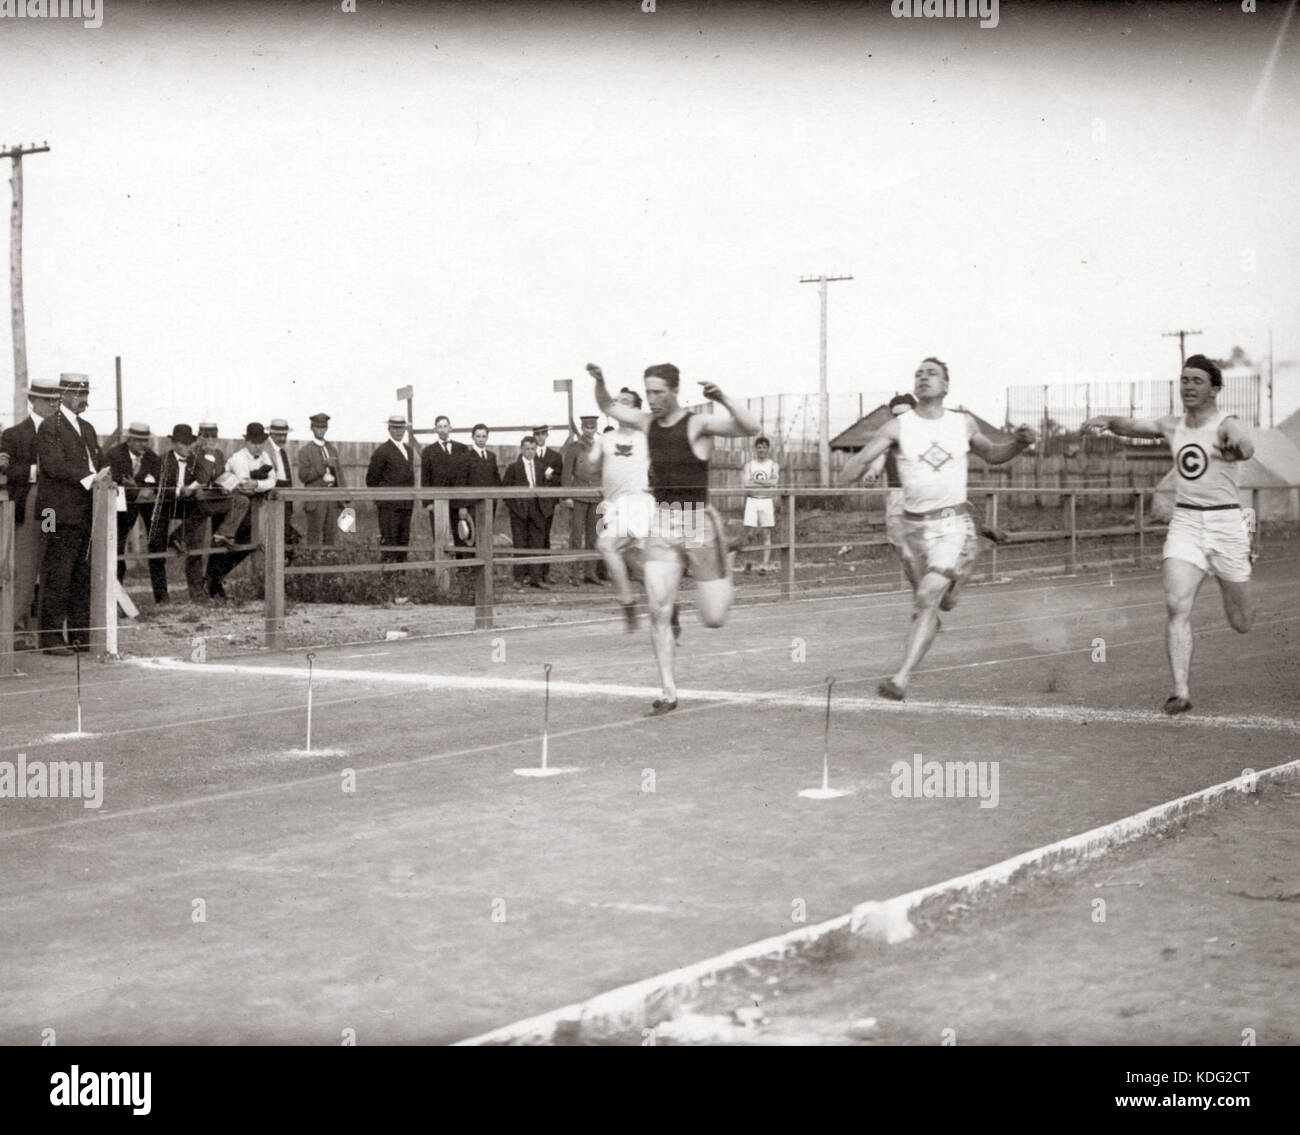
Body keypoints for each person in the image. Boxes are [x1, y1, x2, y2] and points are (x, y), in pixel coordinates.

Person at [840, 357, 1036, 701]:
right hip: (912, 529)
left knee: (926, 598)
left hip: (951, 524)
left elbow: (992, 454)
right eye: (918, 373)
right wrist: (852, 471)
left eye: (932, 374)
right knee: (941, 604)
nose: (923, 377)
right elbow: (858, 463)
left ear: (946, 386)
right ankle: (974, 556)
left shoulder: (963, 423)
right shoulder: (898, 427)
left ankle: (900, 679)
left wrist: (1018, 444)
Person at [1083, 354, 1255, 714]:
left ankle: (1227, 581)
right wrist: (1106, 420)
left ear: (1215, 389)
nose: (1189, 387)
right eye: (1184, 380)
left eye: (1197, 381)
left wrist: (1236, 446)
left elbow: (1245, 445)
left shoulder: (1227, 423)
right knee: (1176, 604)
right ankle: (1181, 690)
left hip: (1226, 525)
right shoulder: (1172, 425)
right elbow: (1132, 426)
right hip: (1187, 523)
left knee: (1242, 623)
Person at [591, 361, 760, 715]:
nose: (651, 400)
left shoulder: (697, 423)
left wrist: (725, 398)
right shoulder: (648, 423)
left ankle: (725, 564)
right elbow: (607, 406)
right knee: (657, 610)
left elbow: (750, 426)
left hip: (697, 520)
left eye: (658, 393)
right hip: (663, 523)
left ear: (673, 391)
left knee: (714, 618)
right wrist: (601, 381)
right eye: (648, 392)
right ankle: (668, 692)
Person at [36, 373, 111, 653]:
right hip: (54, 513)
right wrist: (91, 477)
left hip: (84, 512)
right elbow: (54, 466)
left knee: (82, 574)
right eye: (79, 395)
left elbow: (98, 461)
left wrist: (104, 475)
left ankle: (80, 635)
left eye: (86, 395)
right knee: (57, 572)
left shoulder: (88, 428)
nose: (84, 401)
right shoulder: (49, 426)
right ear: (63, 395)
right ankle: (52, 638)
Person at [578, 389, 655, 629]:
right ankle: (667, 609)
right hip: (613, 508)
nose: (619, 406)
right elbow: (589, 470)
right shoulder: (606, 439)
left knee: (605, 545)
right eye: (617, 402)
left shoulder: (645, 437)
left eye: (626, 403)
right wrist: (590, 460)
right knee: (638, 567)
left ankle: (628, 602)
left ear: (635, 410)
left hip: (637, 504)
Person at [0, 378, 63, 647]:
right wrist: (38, 471)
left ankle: (41, 628)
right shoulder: (14, 435)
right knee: (24, 567)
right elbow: (8, 471)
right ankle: (15, 629)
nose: (53, 405)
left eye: (55, 400)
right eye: (48, 400)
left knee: (48, 556)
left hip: (51, 507)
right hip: (29, 503)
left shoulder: (63, 432)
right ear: (32, 401)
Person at [206, 422, 277, 598]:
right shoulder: (239, 458)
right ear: (246, 442)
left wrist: (258, 484)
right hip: (229, 508)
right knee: (221, 545)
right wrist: (259, 484)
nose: (258, 446)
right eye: (254, 442)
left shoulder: (265, 456)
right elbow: (245, 487)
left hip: (250, 509)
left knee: (245, 545)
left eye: (261, 442)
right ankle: (212, 584)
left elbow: (273, 480)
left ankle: (215, 579)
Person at [153, 424, 218, 602]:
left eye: (191, 443)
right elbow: (158, 487)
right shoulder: (162, 460)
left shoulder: (194, 459)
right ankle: (162, 597)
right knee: (156, 549)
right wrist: (179, 492)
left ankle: (197, 593)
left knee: (196, 543)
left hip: (188, 505)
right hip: (165, 505)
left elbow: (204, 478)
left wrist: (207, 455)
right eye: (184, 444)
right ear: (174, 443)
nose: (188, 447)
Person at [859, 393, 919, 586]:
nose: (901, 419)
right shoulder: (888, 442)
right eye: (896, 415)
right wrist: (872, 474)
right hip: (896, 498)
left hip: (923, 498)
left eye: (905, 414)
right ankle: (921, 587)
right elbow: (878, 463)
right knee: (903, 551)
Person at [107, 422, 168, 604]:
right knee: (117, 548)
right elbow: (113, 482)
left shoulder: (151, 457)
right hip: (122, 506)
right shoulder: (114, 455)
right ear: (129, 440)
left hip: (146, 504)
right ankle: (116, 598)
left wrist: (139, 487)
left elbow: (159, 481)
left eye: (146, 440)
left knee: (157, 542)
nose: (143, 444)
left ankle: (162, 596)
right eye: (139, 441)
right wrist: (137, 491)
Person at [501, 435, 550, 588]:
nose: (530, 452)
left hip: (538, 510)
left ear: (536, 450)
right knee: (520, 544)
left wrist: (545, 508)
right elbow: (505, 491)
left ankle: (536, 578)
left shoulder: (541, 467)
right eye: (527, 449)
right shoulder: (513, 468)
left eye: (533, 449)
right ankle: (518, 578)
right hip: (519, 511)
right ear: (521, 449)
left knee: (537, 543)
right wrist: (515, 508)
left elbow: (547, 489)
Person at [366, 414, 415, 564]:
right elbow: (371, 480)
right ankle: (388, 576)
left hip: (406, 504)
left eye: (401, 428)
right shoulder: (382, 451)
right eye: (395, 428)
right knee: (389, 540)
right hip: (389, 506)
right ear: (389, 429)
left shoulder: (408, 450)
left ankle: (401, 575)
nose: (399, 431)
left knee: (403, 540)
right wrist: (383, 499)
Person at [562, 415, 604, 584]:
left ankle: (590, 572)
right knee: (576, 536)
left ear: (595, 429)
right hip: (578, 496)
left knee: (593, 537)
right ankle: (574, 574)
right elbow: (566, 474)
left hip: (595, 497)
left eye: (592, 427)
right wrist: (567, 496)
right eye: (586, 428)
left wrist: (603, 495)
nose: (589, 431)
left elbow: (605, 473)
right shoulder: (574, 448)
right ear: (582, 428)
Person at [298, 412, 348, 545]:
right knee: (314, 533)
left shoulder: (332, 449)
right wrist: (322, 466)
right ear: (312, 428)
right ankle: (312, 562)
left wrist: (344, 495)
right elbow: (303, 476)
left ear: (327, 428)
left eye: (323, 427)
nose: (321, 430)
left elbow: (339, 473)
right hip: (316, 497)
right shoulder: (305, 451)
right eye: (317, 427)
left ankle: (328, 561)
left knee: (331, 533)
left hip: (332, 497)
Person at [421, 414, 468, 547]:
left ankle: (462, 566)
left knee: (462, 534)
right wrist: (429, 502)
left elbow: (465, 478)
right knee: (440, 536)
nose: (442, 430)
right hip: (438, 501)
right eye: (439, 427)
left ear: (450, 428)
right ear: (435, 430)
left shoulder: (462, 449)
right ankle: (442, 567)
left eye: (445, 426)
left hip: (458, 501)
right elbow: (425, 478)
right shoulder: (428, 451)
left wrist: (464, 503)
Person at [453, 423, 499, 552]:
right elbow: (460, 483)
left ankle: (486, 566)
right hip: (471, 504)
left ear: (487, 438)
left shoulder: (491, 456)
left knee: (486, 534)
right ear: (472, 437)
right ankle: (470, 568)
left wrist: (495, 497)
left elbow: (496, 479)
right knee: (471, 536)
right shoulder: (465, 457)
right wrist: (462, 506)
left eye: (484, 436)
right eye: (478, 436)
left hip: (489, 504)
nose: (481, 439)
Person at [741, 436, 780, 574]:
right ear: (755, 449)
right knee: (750, 534)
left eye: (764, 447)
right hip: (752, 500)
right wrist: (765, 483)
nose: (761, 450)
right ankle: (748, 563)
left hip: (766, 500)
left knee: (766, 533)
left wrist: (756, 482)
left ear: (768, 449)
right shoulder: (749, 465)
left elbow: (773, 483)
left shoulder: (773, 465)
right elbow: (746, 484)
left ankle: (764, 565)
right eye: (759, 447)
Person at [531, 424, 564, 580]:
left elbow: (561, 479)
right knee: (531, 537)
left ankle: (545, 572)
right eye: (537, 434)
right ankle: (531, 573)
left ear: (547, 435)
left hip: (548, 503)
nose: (540, 437)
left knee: (545, 537)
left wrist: (551, 478)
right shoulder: (527, 453)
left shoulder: (555, 456)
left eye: (543, 434)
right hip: (531, 503)